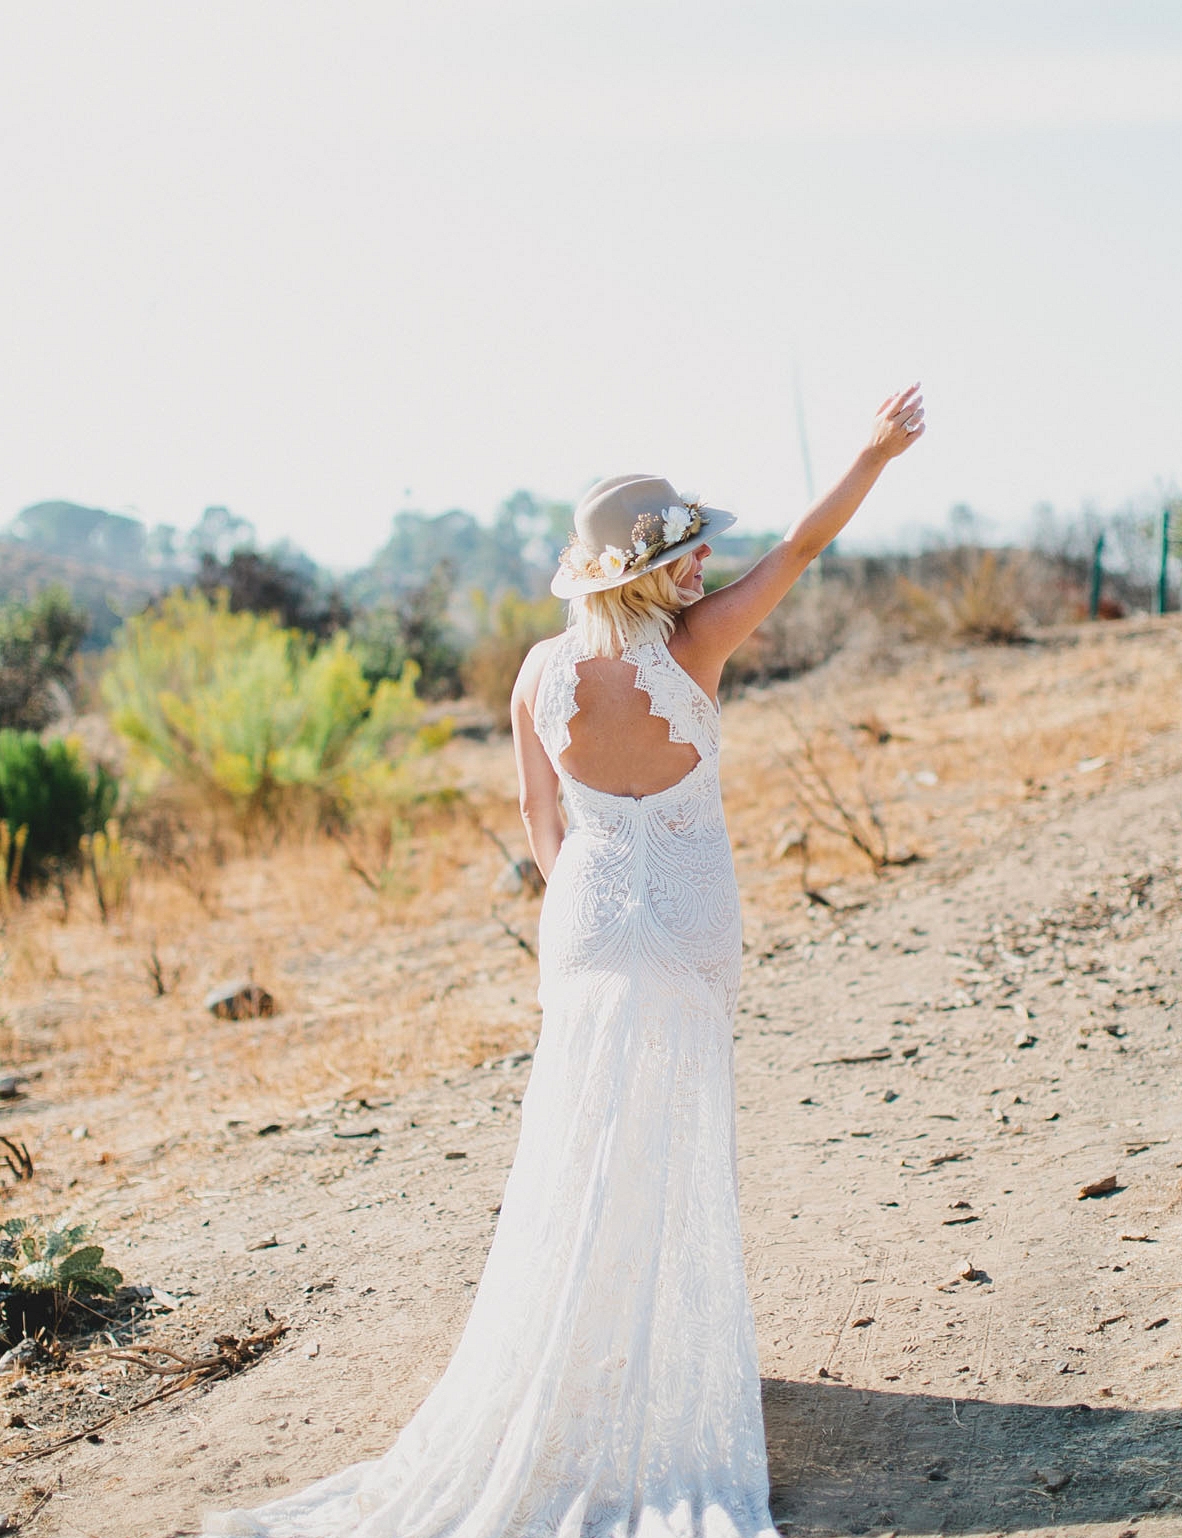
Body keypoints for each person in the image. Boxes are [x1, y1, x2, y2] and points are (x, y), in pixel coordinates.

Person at [205, 386, 925, 1538]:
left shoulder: (536, 672)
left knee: (578, 1137)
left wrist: (587, 903)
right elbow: (803, 543)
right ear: (642, 575)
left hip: (586, 915)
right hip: (688, 916)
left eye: (699, 552)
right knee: (674, 1127)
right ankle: (660, 1368)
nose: (702, 568)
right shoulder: (701, 647)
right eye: (685, 555)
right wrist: (873, 454)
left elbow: (543, 822)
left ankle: (572, 1351)